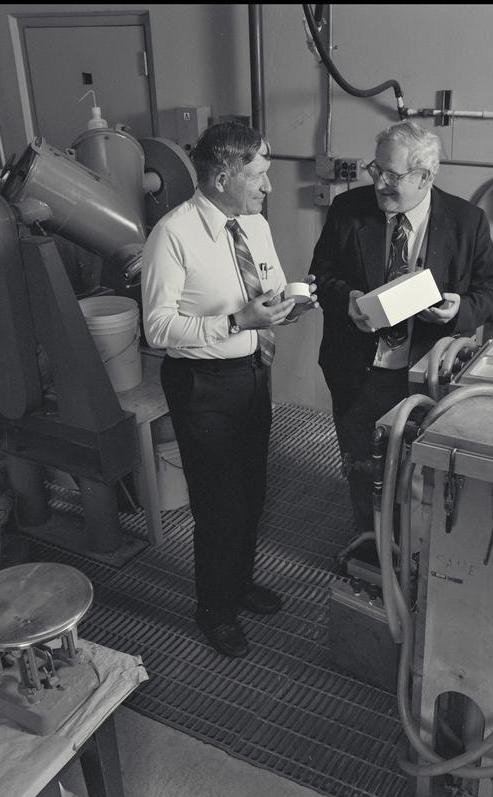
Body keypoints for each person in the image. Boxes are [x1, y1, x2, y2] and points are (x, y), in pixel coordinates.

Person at [141, 122, 315, 658]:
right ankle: (213, 609)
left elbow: (265, 287)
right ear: (223, 175)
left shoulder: (254, 224)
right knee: (219, 505)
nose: (269, 188)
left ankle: (237, 585)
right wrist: (237, 322)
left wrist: (284, 306)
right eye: (259, 176)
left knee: (253, 492)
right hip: (202, 386)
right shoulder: (172, 234)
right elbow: (158, 329)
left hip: (251, 377)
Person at [308, 120, 493, 536]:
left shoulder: (467, 222)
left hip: (426, 375)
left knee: (422, 476)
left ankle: (414, 555)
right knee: (362, 466)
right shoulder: (349, 210)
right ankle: (370, 546)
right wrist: (346, 301)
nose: (380, 182)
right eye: (376, 170)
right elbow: (320, 276)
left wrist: (459, 310)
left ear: (427, 177)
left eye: (393, 176)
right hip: (358, 369)